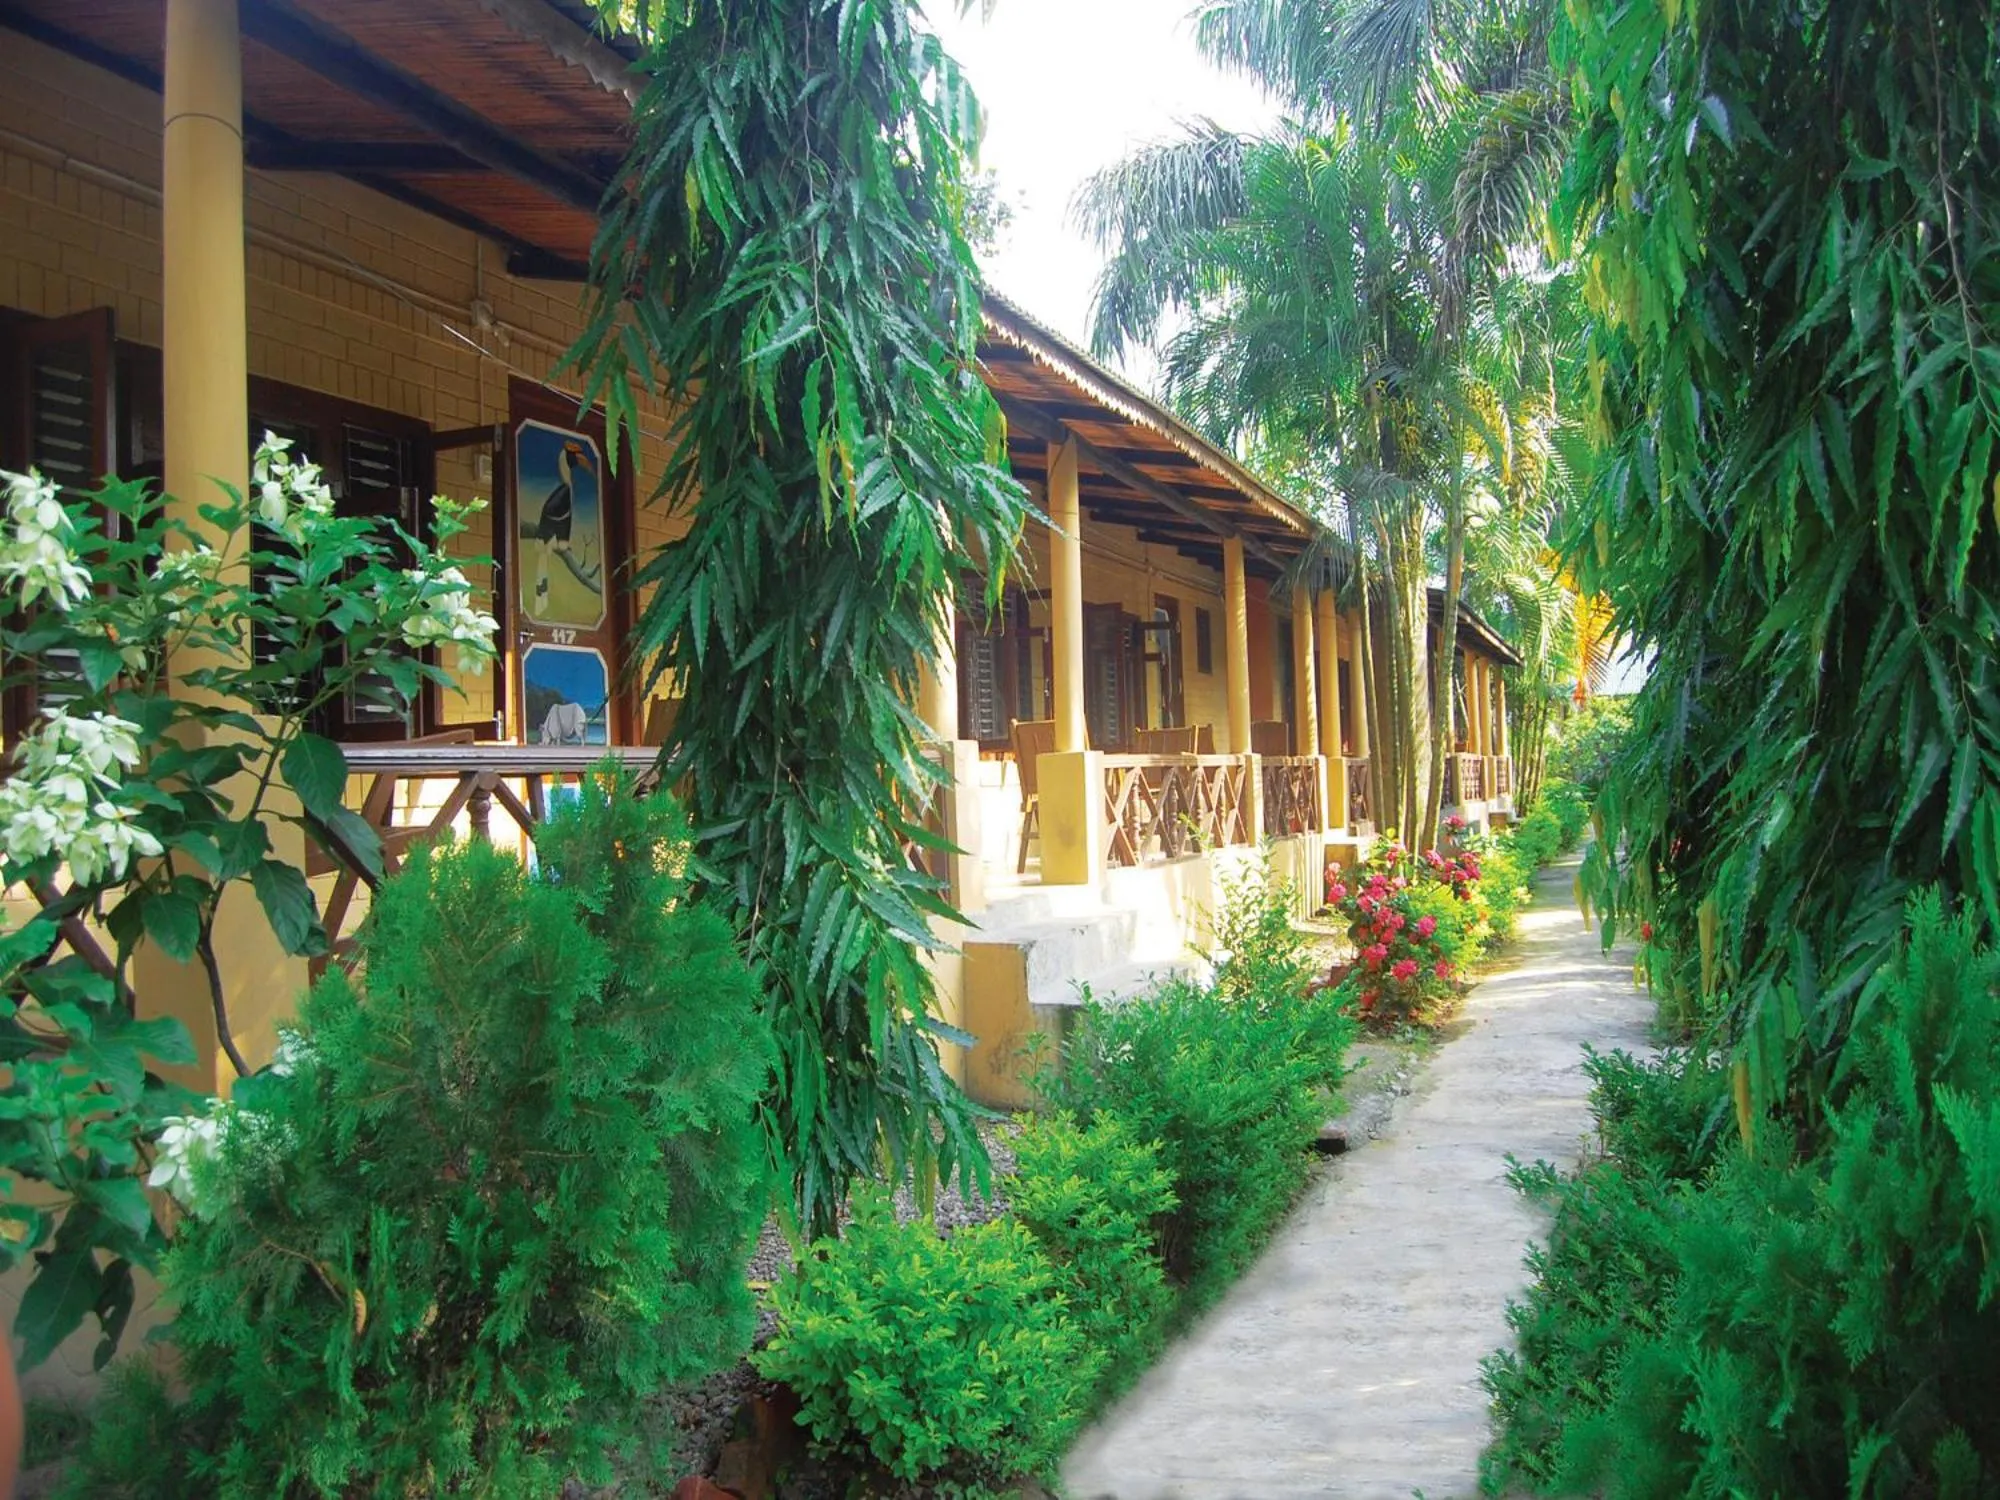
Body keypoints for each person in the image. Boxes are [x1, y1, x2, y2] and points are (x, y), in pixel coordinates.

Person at [531, 440, 595, 614]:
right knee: (542, 571)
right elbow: (562, 522)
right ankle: (541, 600)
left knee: (542, 570)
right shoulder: (564, 491)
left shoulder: (563, 490)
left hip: (547, 538)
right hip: (550, 540)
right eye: (574, 458)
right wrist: (562, 543)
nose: (579, 460)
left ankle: (541, 599)